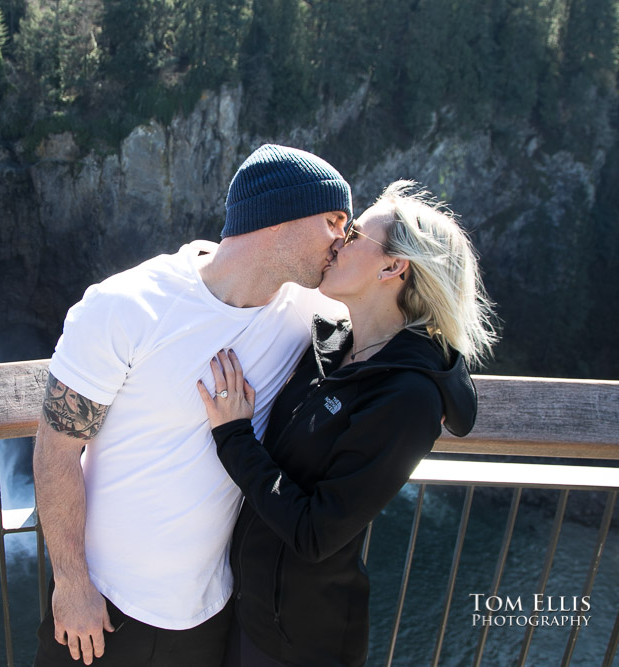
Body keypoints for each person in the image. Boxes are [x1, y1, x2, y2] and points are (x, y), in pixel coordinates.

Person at [32, 144, 354, 666]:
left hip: (211, 612)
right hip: (102, 603)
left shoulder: (309, 313)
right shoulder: (128, 305)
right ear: (278, 217)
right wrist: (72, 584)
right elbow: (56, 450)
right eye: (335, 219)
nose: (344, 240)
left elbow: (396, 315)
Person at [198, 181, 497, 666]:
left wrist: (234, 436)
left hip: (299, 643)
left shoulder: (407, 399)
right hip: (243, 608)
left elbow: (316, 533)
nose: (339, 241)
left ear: (393, 266)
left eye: (354, 234)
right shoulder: (331, 344)